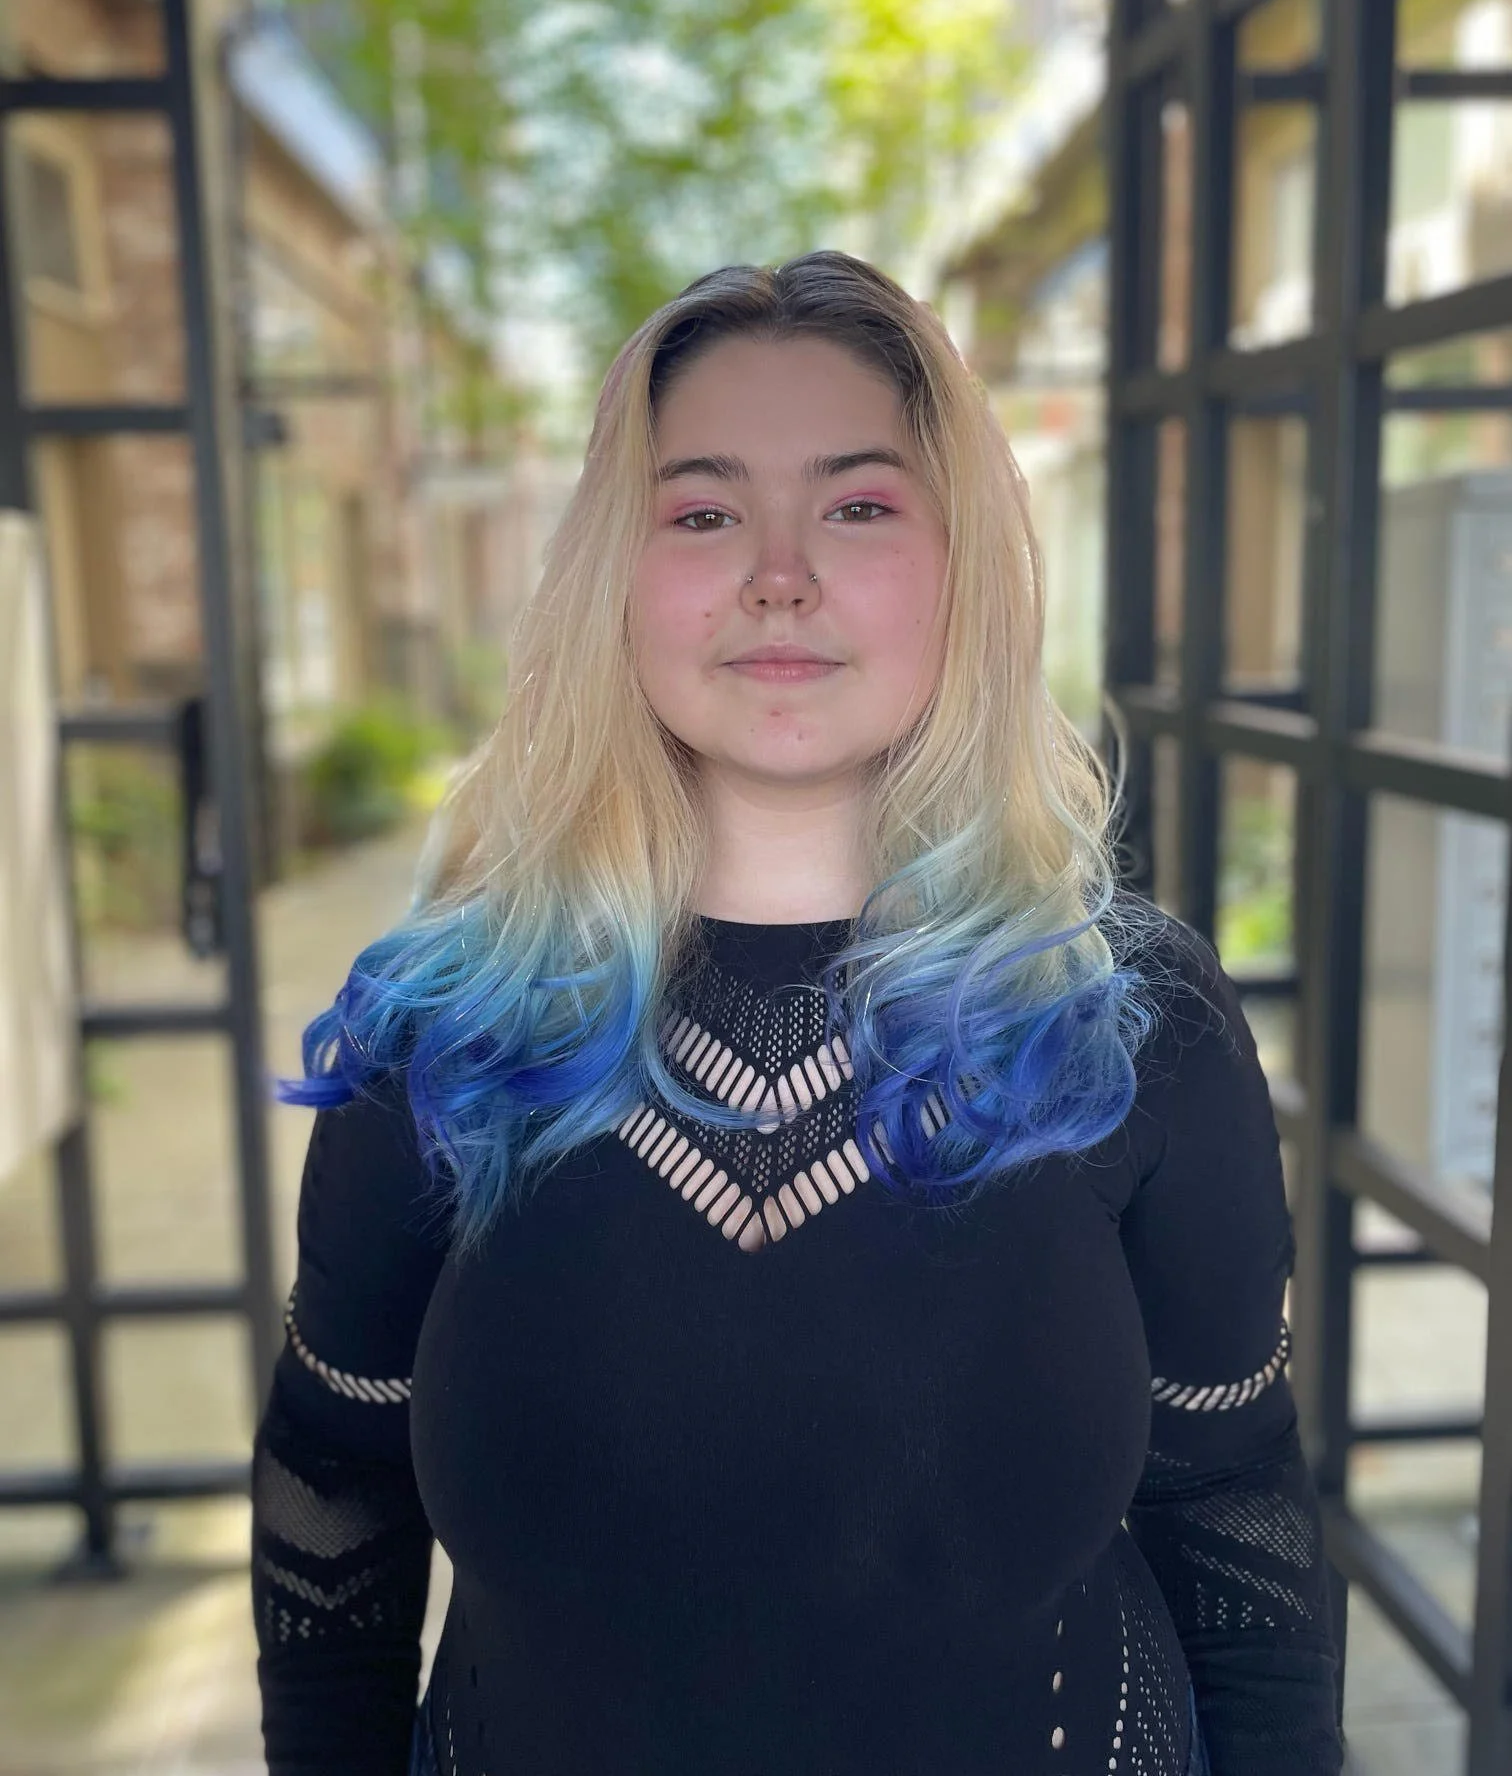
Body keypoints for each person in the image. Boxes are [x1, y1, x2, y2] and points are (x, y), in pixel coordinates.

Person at [250, 250, 1344, 1776]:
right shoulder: (442, 1029)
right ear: (611, 576)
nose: (779, 575)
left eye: (859, 506)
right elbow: (334, 1481)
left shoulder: (1127, 1021)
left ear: (964, 565)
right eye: (703, 513)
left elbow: (1233, 1498)